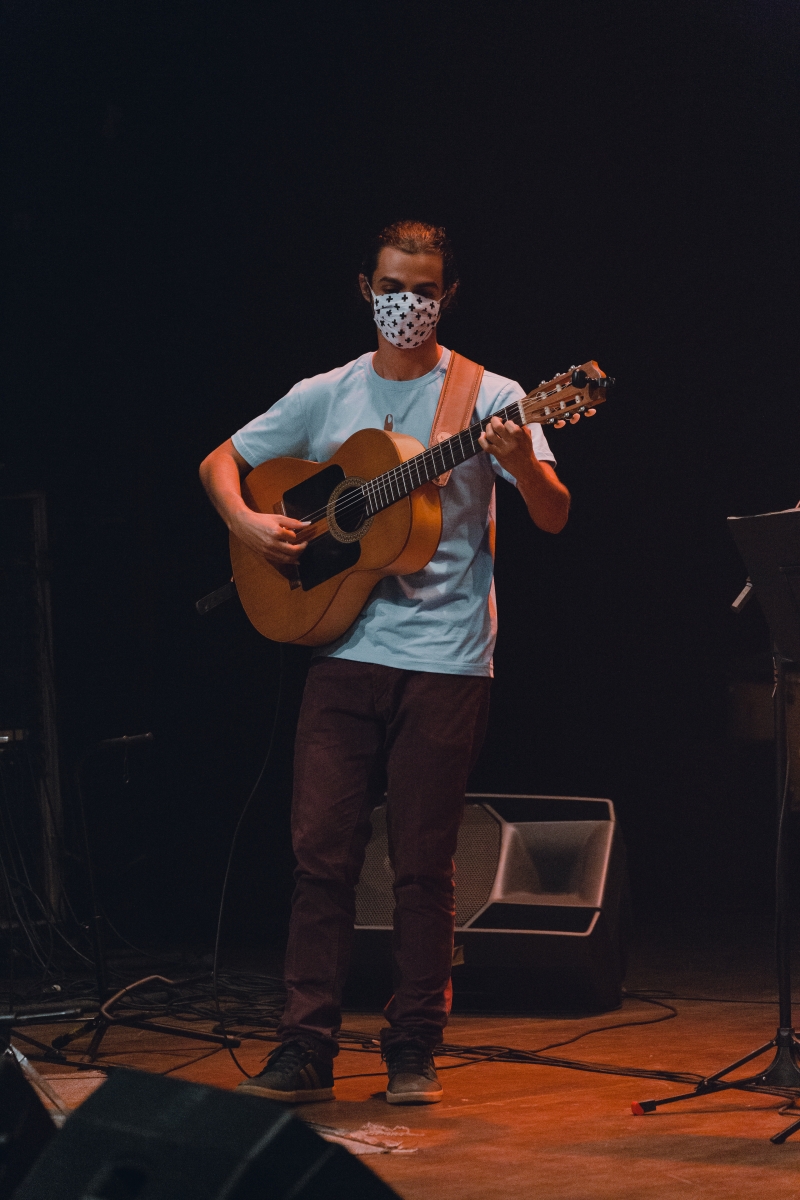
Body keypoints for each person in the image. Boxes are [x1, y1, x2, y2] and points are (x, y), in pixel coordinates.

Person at [199, 220, 570, 1106]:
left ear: (449, 296)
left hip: (446, 656)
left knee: (423, 864)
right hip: (341, 643)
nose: (410, 303)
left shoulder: (493, 396)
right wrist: (247, 521)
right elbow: (222, 461)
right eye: (395, 287)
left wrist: (522, 460)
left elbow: (554, 514)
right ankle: (305, 1048)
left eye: (426, 290)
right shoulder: (326, 393)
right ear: (366, 288)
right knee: (319, 856)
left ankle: (413, 1048)